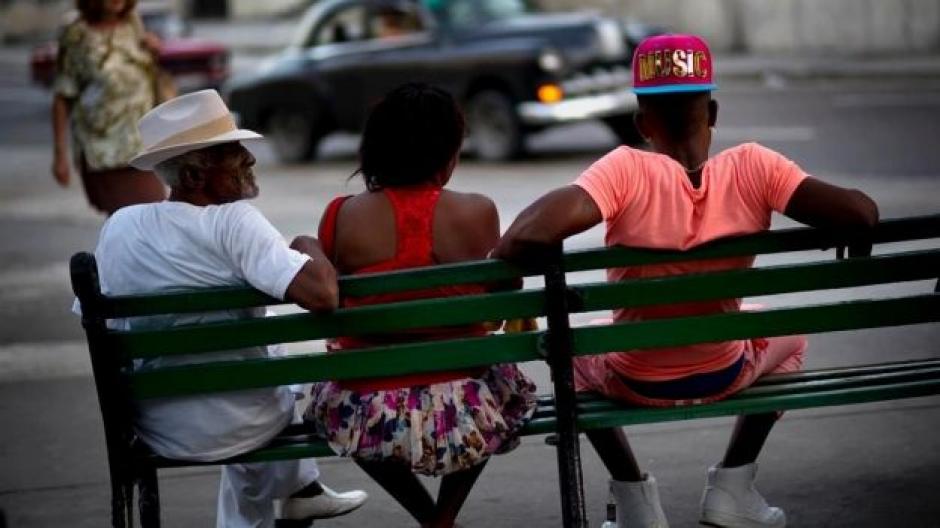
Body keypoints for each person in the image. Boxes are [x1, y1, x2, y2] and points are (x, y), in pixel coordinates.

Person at [492, 35, 878, 528]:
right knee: (790, 334)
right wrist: (849, 227)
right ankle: (733, 487)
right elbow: (860, 212)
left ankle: (636, 504)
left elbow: (523, 235)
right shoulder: (756, 167)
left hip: (634, 378)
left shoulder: (625, 169)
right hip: (723, 370)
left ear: (641, 122)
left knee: (575, 346)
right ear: (712, 113)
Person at [77, 89, 367, 527]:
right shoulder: (233, 221)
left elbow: (96, 320)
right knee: (254, 381)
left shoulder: (120, 225)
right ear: (194, 174)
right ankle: (300, 491)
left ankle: (301, 493)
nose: (250, 160)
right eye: (233, 153)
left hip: (156, 423)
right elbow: (323, 295)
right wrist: (308, 246)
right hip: (248, 423)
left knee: (238, 371)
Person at [306, 83, 537, 528]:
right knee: (502, 390)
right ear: (448, 153)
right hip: (462, 403)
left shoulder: (340, 215)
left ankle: (429, 518)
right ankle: (443, 518)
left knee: (336, 401)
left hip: (368, 410)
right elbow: (501, 297)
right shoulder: (478, 211)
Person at [51, 0, 167, 215]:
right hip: (103, 150)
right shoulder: (77, 33)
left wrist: (153, 51)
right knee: (134, 225)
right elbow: (62, 95)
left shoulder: (132, 23)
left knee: (153, 222)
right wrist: (60, 156)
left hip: (141, 145)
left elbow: (146, 72)